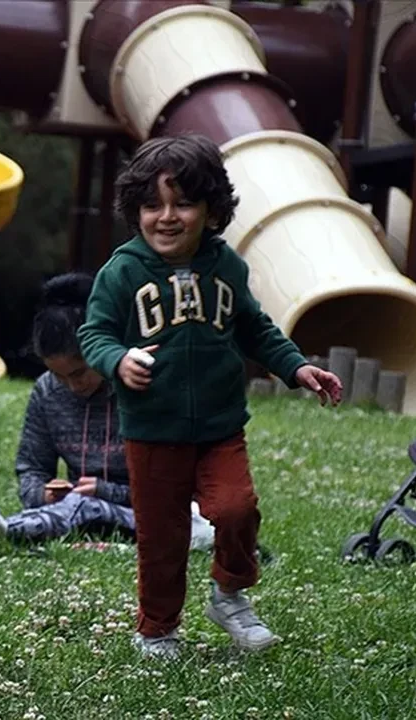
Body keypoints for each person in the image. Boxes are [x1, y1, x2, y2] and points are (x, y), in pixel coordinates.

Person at [77, 134, 343, 660]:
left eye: (184, 203)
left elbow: (256, 329)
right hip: (153, 431)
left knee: (237, 507)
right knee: (162, 539)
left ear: (213, 209)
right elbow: (94, 334)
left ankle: (230, 594)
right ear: (136, 211)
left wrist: (296, 367)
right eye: (153, 205)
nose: (167, 217)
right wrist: (118, 359)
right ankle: (157, 630)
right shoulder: (123, 271)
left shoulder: (227, 267)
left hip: (221, 426)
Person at [0, 273, 215, 551]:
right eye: (59, 377)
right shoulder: (47, 392)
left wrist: (104, 491)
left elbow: (175, 486)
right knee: (78, 507)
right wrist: (44, 493)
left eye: (79, 373)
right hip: (78, 509)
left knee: (83, 506)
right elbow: (32, 468)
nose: (72, 386)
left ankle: (2, 531)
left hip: (163, 517)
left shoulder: (147, 387)